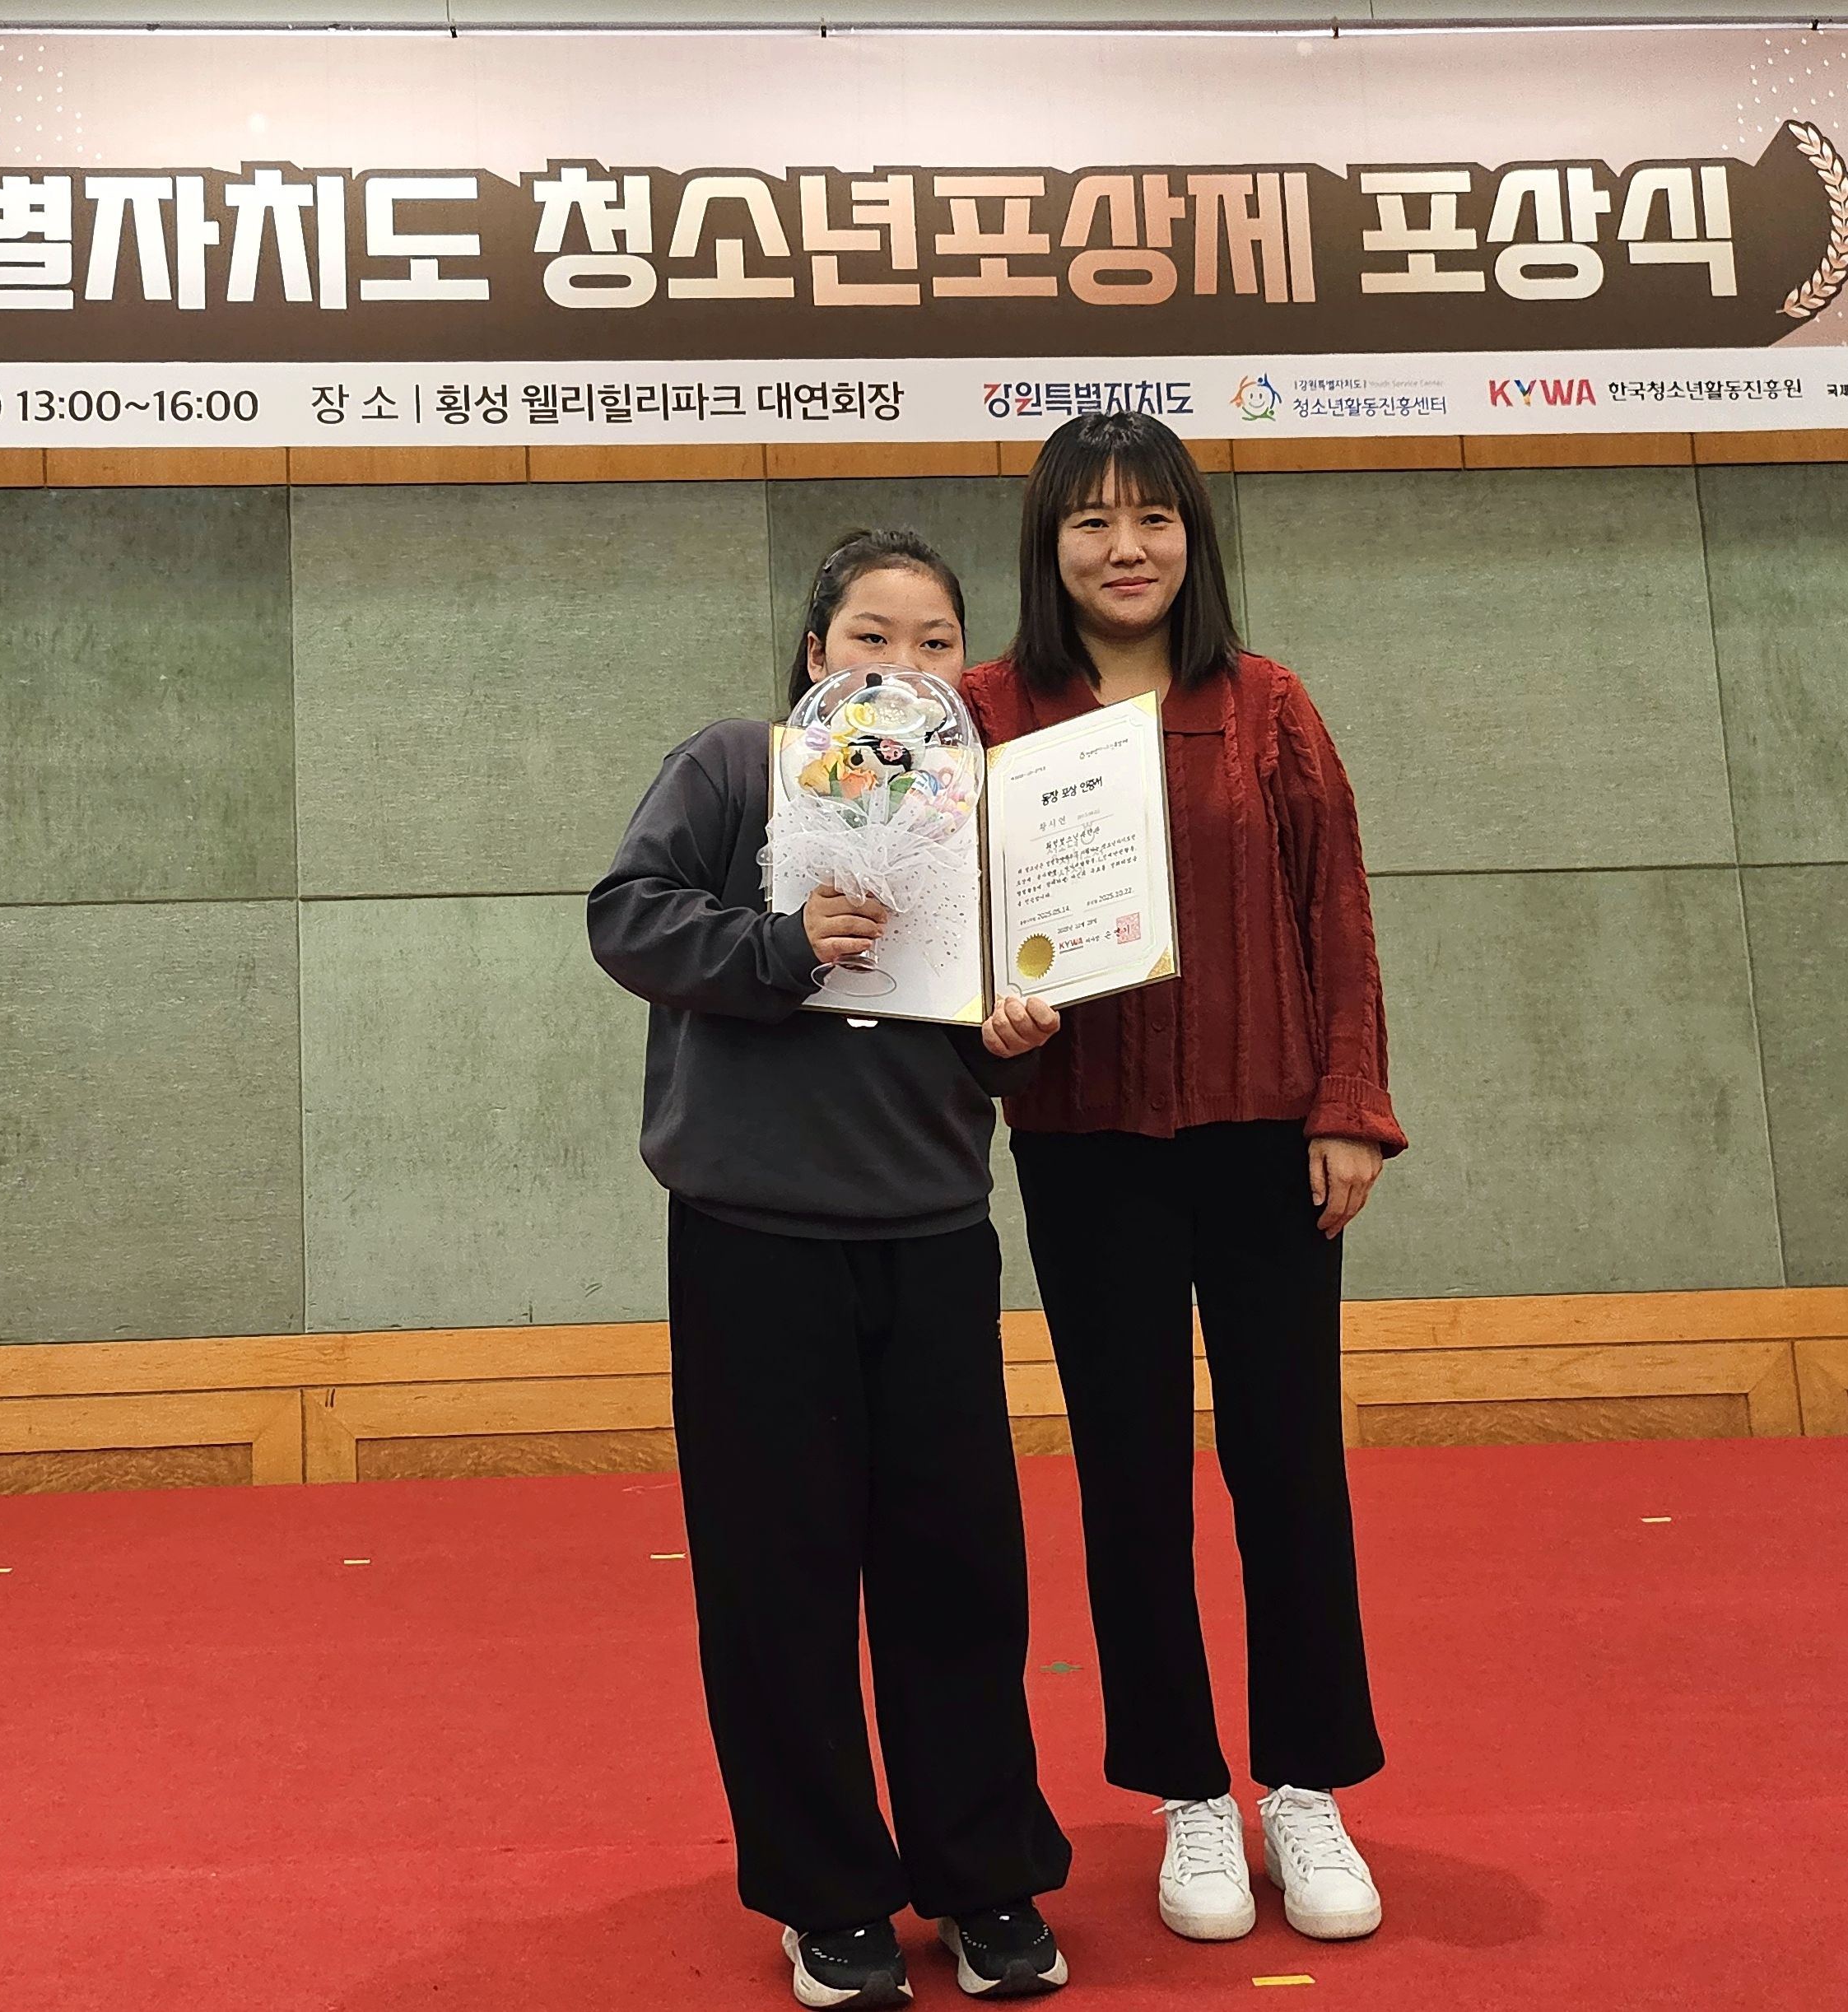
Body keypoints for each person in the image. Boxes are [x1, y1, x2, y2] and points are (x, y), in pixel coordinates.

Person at [590, 530, 1072, 2006]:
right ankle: (827, 1898)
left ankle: (982, 1877)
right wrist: (782, 944)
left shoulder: (982, 805)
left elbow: (1002, 1011)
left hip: (929, 1227)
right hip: (754, 1239)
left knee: (959, 1575)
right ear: (816, 654)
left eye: (934, 643)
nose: (901, 666)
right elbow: (626, 918)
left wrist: (1015, 1031)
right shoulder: (734, 767)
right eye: (871, 636)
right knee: (775, 1585)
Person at [960, 413, 1407, 1946]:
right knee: (1129, 1477)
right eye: (1090, 521)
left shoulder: (1266, 704)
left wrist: (1347, 1108)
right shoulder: (988, 710)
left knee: (1289, 1466)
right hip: (1084, 1148)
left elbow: (1335, 915)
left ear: (1191, 536)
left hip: (1267, 1137)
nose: (1124, 548)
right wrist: (988, 1021)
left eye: (1151, 517)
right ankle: (1186, 1793)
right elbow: (945, 921)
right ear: (1048, 546)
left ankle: (1305, 1783)